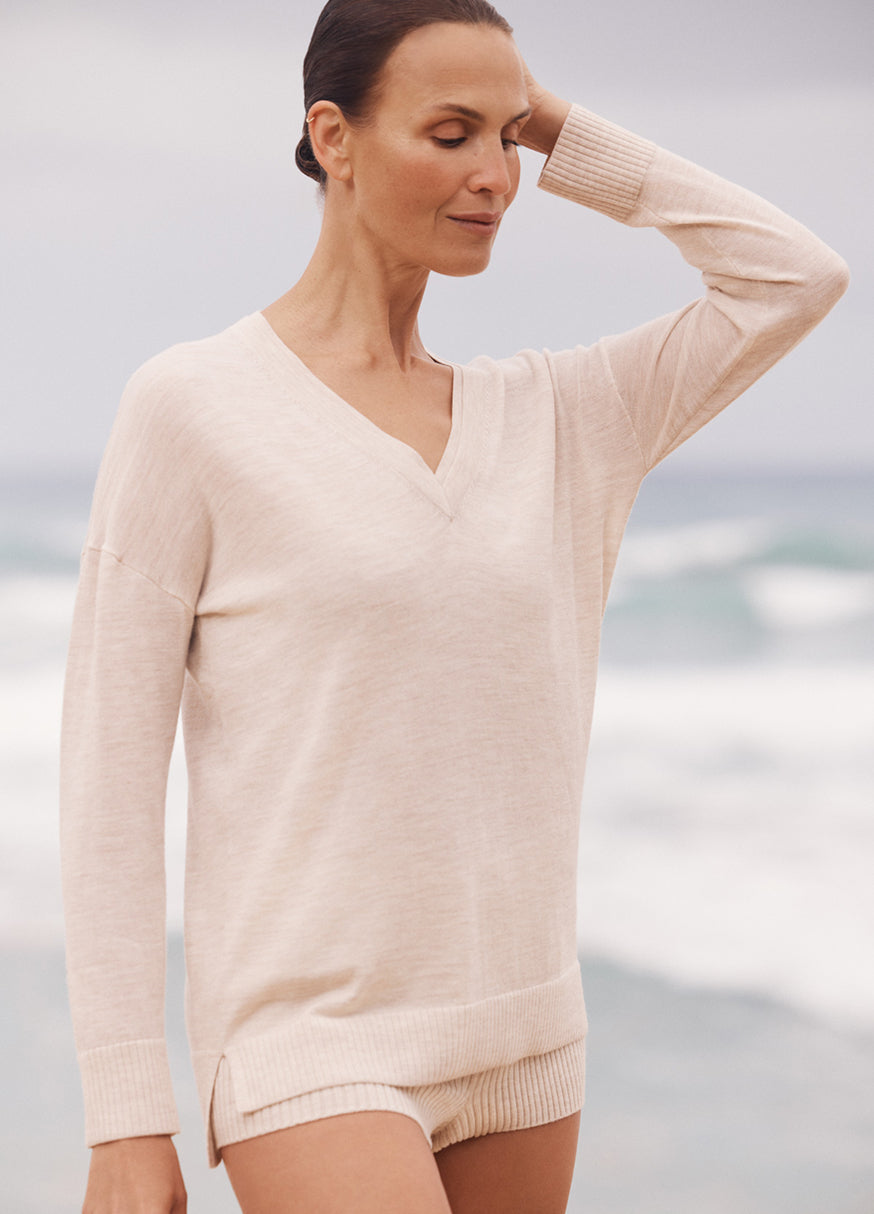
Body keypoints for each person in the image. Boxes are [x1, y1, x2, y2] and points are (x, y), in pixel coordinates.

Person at [59, 0, 849, 1211]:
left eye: (508, 138)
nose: (496, 175)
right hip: (308, 1044)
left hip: (525, 1036)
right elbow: (108, 775)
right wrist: (125, 1116)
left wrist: (558, 127)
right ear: (333, 137)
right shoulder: (193, 407)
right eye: (449, 133)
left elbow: (793, 277)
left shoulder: (565, 420)